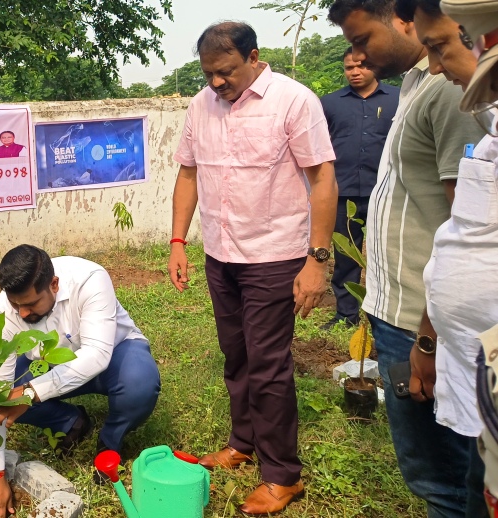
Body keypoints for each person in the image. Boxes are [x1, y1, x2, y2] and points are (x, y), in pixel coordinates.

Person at [167, 22, 338, 515]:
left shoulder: (293, 101)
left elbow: (323, 178)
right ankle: (242, 443)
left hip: (274, 257)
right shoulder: (201, 105)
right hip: (221, 255)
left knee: (268, 365)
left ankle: (283, 475)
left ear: (254, 56)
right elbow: (188, 173)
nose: (216, 82)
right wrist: (178, 241)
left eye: (225, 71)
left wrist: (317, 259)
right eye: (208, 74)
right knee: (237, 355)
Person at [329, 1, 486, 516]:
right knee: (436, 473)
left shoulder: (448, 89)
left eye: (363, 40)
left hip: (424, 318)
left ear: (402, 20)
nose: (358, 56)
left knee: (449, 480)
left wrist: (428, 337)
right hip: (403, 311)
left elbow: (469, 229)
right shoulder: (417, 84)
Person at [0, 245, 160, 515]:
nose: (23, 313)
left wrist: (30, 393)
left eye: (31, 304)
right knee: (3, 395)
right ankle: (71, 422)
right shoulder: (4, 310)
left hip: (115, 357)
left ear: (54, 284)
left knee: (139, 384)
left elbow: (97, 355)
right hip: (48, 366)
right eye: (17, 305)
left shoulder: (89, 279)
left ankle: (110, 443)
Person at [319, 47, 399, 328]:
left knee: (385, 256)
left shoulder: (399, 99)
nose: (354, 72)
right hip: (342, 193)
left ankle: (385, 317)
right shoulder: (329, 104)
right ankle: (346, 315)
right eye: (349, 67)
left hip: (386, 193)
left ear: (375, 66)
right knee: (345, 256)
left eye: (361, 66)